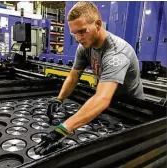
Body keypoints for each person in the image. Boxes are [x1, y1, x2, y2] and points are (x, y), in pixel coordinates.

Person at [34, 2, 144, 155]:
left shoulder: (117, 52)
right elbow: (74, 76)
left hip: (132, 111)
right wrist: (59, 99)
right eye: (74, 33)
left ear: (98, 24)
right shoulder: (85, 47)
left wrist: (62, 130)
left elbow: (102, 98)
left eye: (82, 31)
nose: (78, 38)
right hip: (109, 107)